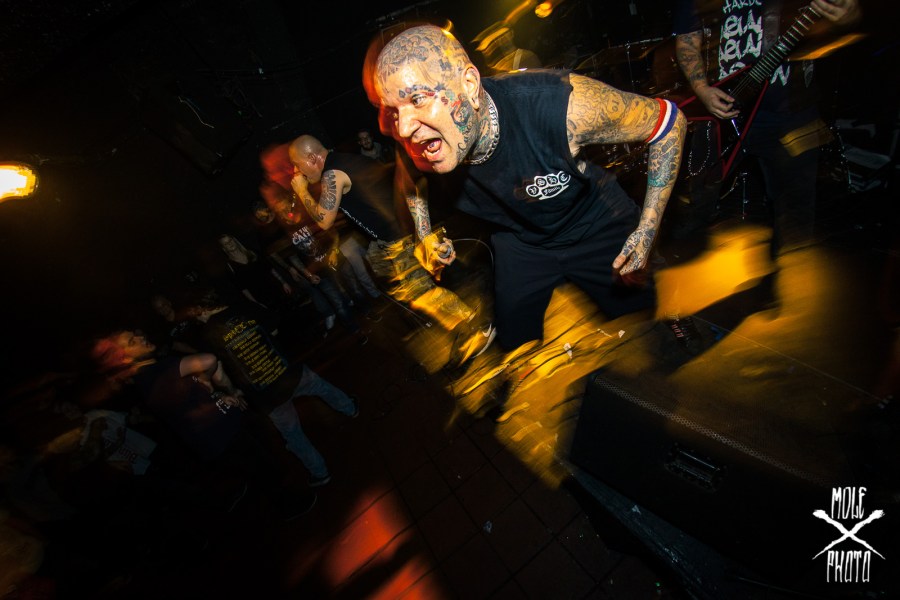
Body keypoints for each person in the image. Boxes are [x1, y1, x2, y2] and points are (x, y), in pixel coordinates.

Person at [368, 24, 686, 357]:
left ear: (469, 85)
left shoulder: (561, 104)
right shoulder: (415, 139)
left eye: (418, 99)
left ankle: (676, 323)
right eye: (394, 110)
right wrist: (424, 236)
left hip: (594, 223)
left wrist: (648, 229)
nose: (404, 127)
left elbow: (668, 124)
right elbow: (411, 183)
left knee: (649, 314)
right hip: (519, 242)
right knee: (516, 340)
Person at [286, 133, 496, 371]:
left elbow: (324, 220)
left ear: (311, 158)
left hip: (400, 239)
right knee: (421, 289)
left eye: (297, 165)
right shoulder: (345, 161)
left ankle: (477, 326)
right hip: (399, 235)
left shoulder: (332, 173)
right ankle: (469, 324)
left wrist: (301, 191)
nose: (297, 172)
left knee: (421, 292)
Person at [670, 0, 861, 261]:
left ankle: (792, 273)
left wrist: (848, 15)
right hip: (721, 110)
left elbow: (846, 18)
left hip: (791, 113)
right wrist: (702, 89)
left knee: (795, 214)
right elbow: (687, 41)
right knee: (695, 203)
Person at [89, 330, 318, 519]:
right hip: (223, 436)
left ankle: (286, 500)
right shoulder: (156, 371)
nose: (140, 337)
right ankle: (291, 506)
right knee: (267, 471)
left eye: (136, 334)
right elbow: (209, 359)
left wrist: (212, 391)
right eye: (132, 341)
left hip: (219, 435)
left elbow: (187, 401)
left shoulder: (148, 378)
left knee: (264, 469)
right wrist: (222, 387)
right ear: (125, 358)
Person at [186, 297, 359, 487]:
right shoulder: (242, 306)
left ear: (200, 310)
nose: (200, 321)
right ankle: (350, 408)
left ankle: (320, 472)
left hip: (267, 393)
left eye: (197, 318)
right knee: (321, 387)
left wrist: (233, 391)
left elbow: (219, 376)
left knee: (293, 434)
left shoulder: (207, 336)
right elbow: (274, 327)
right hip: (287, 373)